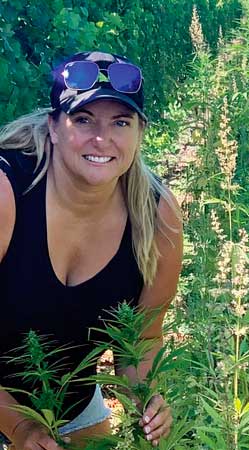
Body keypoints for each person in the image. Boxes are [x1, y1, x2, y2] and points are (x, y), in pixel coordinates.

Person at [0, 51, 183, 449]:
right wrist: (20, 428)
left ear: (139, 133)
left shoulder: (157, 218)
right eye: (83, 120)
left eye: (121, 122)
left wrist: (144, 398)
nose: (102, 139)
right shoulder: (6, 194)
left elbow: (143, 338)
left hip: (69, 405)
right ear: (53, 126)